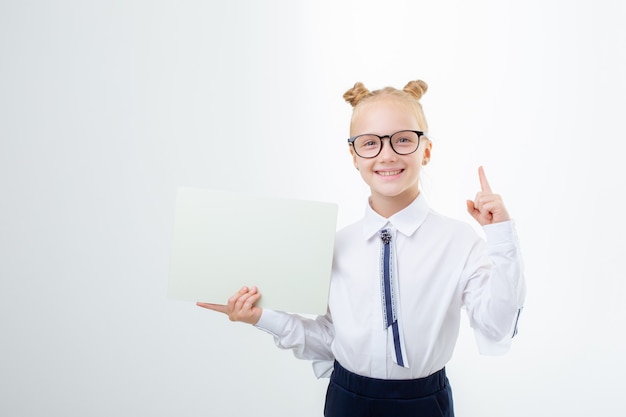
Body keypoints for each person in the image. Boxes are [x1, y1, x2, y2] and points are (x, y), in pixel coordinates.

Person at [197, 79, 526, 417]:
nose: (387, 154)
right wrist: (262, 317)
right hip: (347, 400)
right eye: (370, 143)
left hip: (424, 402)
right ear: (353, 155)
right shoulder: (334, 245)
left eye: (403, 140)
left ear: (426, 150)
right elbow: (328, 340)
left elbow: (497, 326)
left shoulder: (459, 241)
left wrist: (501, 236)